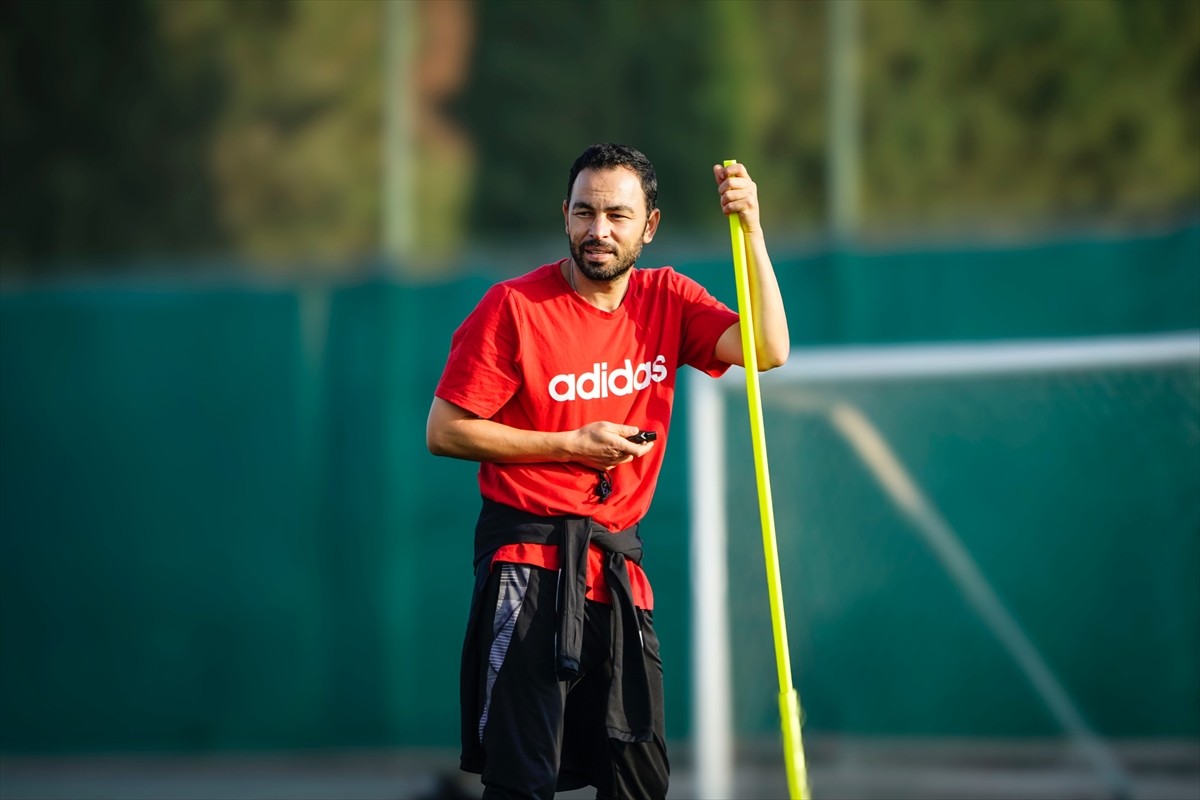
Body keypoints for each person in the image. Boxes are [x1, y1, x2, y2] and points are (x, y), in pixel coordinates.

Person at [426, 143, 789, 800]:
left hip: (618, 574)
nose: (599, 230)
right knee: (521, 782)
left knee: (639, 780)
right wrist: (571, 444)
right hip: (527, 563)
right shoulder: (513, 307)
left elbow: (767, 348)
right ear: (564, 215)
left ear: (648, 225)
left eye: (618, 215)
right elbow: (445, 431)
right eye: (585, 212)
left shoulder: (667, 298)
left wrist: (754, 229)